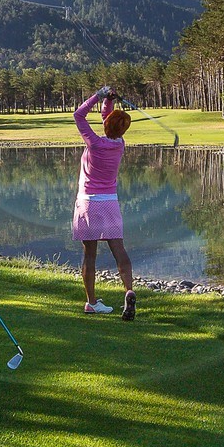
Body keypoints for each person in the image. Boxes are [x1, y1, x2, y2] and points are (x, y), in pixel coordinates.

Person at [72, 85, 136, 320]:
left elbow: (78, 115)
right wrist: (109, 102)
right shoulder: (119, 145)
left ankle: (91, 303)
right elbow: (107, 121)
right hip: (109, 202)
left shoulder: (94, 143)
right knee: (119, 250)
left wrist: (98, 97)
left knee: (90, 254)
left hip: (87, 202)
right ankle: (128, 290)